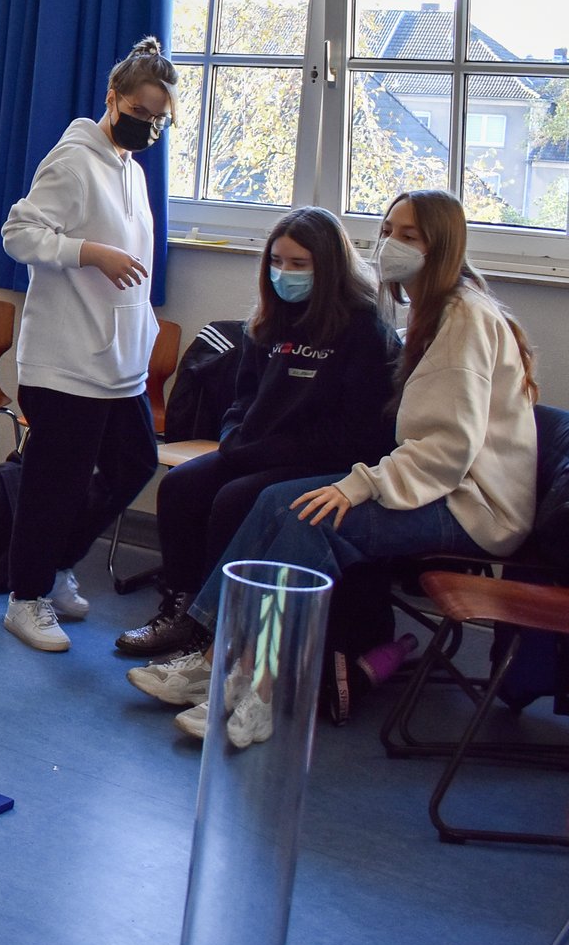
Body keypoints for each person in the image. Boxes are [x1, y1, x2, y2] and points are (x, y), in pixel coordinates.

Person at [130, 189, 539, 742]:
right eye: (387, 230)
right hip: (442, 485)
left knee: (307, 516)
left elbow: (448, 449)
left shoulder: (463, 317)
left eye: (409, 235)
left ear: (441, 246)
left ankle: (260, 687)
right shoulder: (433, 309)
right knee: (278, 502)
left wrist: (359, 485)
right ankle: (217, 658)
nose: (390, 244)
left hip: (474, 505)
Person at [115, 207, 396, 660]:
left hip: (321, 461)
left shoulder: (363, 329)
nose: (284, 273)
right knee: (181, 486)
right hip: (258, 449)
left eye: (299, 264)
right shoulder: (269, 321)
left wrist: (263, 449)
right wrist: (233, 437)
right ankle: (181, 607)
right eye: (277, 262)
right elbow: (242, 399)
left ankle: (214, 627)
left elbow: (359, 431)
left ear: (329, 265)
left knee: (234, 500)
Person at [0, 38, 174, 653]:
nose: (148, 125)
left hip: (117, 360)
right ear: (113, 98)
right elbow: (18, 233)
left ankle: (58, 562)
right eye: (141, 111)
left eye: (159, 118)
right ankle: (25, 598)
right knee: (55, 482)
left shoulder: (132, 169)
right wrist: (88, 253)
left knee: (135, 464)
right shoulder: (73, 161)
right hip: (66, 358)